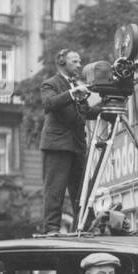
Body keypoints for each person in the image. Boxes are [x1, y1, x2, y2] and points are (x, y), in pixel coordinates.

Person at [40, 48, 90, 234]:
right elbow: (49, 104)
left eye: (79, 61)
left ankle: (83, 227)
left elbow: (86, 112)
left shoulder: (76, 85)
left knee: (81, 191)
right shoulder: (50, 83)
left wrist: (107, 109)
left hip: (76, 145)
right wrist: (72, 93)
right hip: (58, 145)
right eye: (74, 61)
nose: (79, 65)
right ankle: (51, 228)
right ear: (62, 62)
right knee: (55, 189)